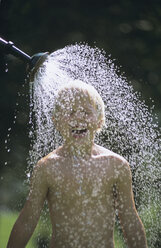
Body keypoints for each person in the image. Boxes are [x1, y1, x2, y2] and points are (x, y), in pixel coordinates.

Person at [7, 80, 148, 248]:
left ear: (100, 121)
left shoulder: (115, 165)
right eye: (71, 112)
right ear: (56, 121)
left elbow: (129, 219)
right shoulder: (48, 167)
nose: (78, 118)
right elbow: (27, 220)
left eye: (86, 112)